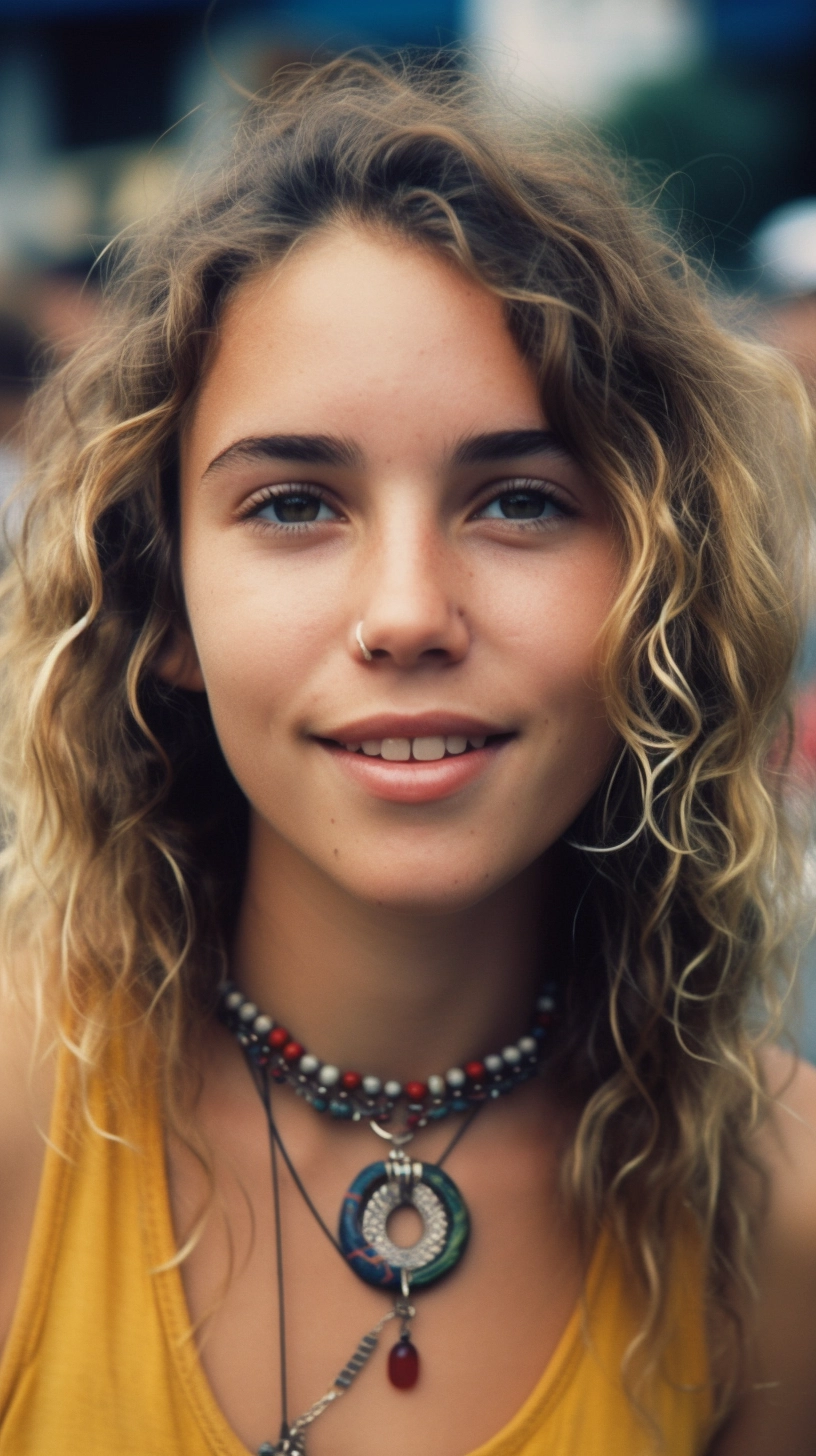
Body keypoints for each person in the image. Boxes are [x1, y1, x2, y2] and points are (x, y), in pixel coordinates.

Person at [0, 56, 815, 1456]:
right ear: (163, 605)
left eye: (518, 500)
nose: (405, 615)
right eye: (296, 504)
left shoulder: (778, 1210)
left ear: (657, 589)